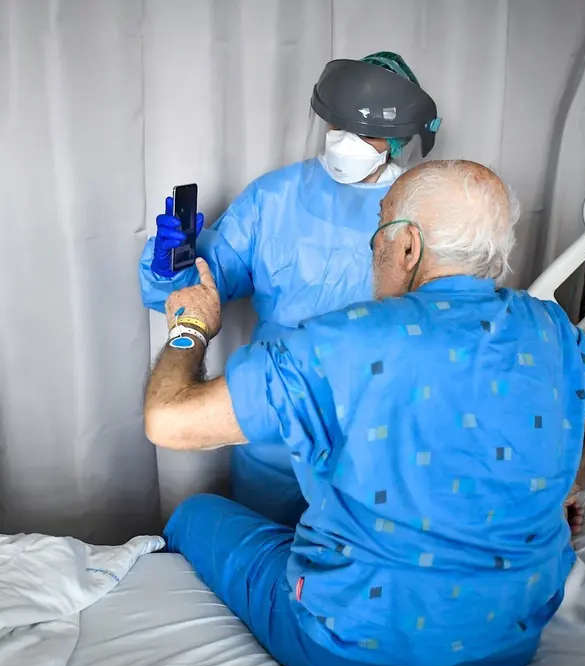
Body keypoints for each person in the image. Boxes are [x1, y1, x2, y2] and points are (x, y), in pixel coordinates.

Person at [143, 160, 585, 666]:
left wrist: (190, 325)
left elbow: (167, 419)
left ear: (408, 246)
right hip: (509, 642)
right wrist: (567, 488)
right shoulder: (554, 332)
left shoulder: (341, 343)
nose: (373, 250)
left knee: (194, 513)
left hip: (351, 652)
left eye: (379, 232)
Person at [139, 52, 441, 527]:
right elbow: (202, 290)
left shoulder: (420, 211)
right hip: (273, 423)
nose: (345, 140)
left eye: (365, 131)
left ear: (400, 138)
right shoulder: (274, 197)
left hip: (372, 426)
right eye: (338, 124)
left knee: (355, 557)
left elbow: (447, 317)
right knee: (264, 547)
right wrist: (170, 268)